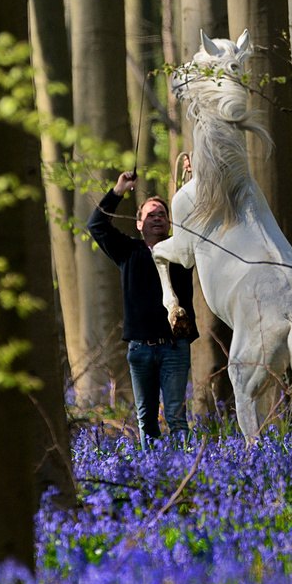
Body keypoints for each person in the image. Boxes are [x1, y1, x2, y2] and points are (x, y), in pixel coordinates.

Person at [86, 170, 199, 449]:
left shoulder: (181, 252)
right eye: (151, 214)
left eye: (162, 214)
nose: (157, 217)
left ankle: (184, 470)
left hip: (175, 347)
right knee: (146, 419)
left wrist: (195, 184)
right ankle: (154, 473)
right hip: (140, 350)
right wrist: (119, 190)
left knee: (176, 417)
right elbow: (96, 225)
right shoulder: (129, 252)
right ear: (139, 224)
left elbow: (199, 223)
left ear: (170, 223)